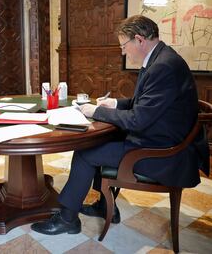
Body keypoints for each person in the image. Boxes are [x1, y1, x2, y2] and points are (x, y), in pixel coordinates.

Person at [31, 15, 210, 235]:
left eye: (124, 46)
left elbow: (138, 119)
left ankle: (68, 219)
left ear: (139, 40)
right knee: (101, 139)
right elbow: (143, 105)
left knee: (86, 152)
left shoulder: (163, 67)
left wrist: (96, 111)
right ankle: (105, 206)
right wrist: (114, 103)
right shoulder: (161, 59)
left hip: (163, 154)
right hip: (162, 138)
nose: (123, 52)